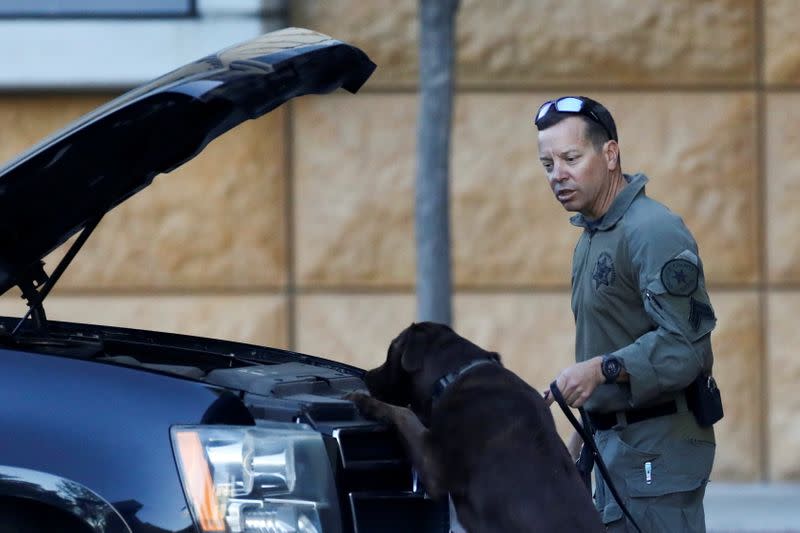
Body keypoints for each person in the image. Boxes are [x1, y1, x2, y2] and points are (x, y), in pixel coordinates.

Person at [536, 96, 719, 532]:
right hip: (616, 447)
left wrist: (599, 370)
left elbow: (686, 346)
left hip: (656, 456)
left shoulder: (652, 230)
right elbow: (610, 340)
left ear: (610, 154)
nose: (557, 174)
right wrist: (580, 437)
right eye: (547, 164)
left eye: (570, 158)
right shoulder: (593, 236)